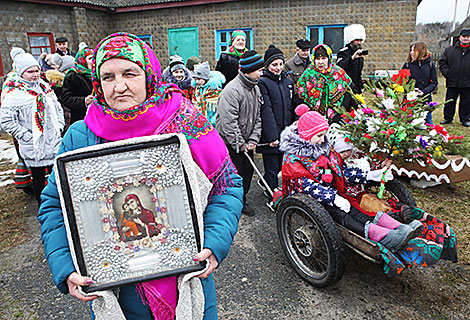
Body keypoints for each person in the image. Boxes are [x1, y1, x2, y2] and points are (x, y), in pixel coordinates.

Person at [37, 32, 243, 320]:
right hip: (120, 295)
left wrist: (213, 242)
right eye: (107, 77)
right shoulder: (82, 136)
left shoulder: (185, 122)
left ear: (148, 74)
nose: (118, 86)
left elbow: (226, 184)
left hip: (186, 280)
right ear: (97, 82)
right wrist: (66, 265)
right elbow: (55, 205)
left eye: (129, 73)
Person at [279, 104, 423, 252]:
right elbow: (306, 186)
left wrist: (368, 176)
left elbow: (342, 171)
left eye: (324, 135)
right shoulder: (293, 158)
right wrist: (333, 198)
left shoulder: (324, 149)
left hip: (332, 193)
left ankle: (397, 229)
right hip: (311, 198)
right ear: (306, 135)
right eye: (319, 136)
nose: (323, 140)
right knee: (342, 215)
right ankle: (382, 235)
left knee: (354, 208)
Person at [0, 52, 64, 204]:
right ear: (22, 72)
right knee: (38, 178)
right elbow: (7, 120)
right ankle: (43, 205)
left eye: (36, 71)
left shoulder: (45, 88)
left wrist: (59, 126)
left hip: (53, 140)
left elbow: (57, 108)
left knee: (57, 175)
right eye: (30, 72)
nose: (35, 75)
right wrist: (26, 135)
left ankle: (60, 202)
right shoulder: (15, 94)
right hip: (34, 145)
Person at [216, 50, 263, 216]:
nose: (261, 72)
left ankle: (242, 200)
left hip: (247, 142)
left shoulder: (255, 89)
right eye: (259, 69)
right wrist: (240, 143)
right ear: (249, 70)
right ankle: (233, 203)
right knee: (234, 175)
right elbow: (228, 121)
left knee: (248, 173)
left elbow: (258, 117)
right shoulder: (232, 91)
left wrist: (253, 139)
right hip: (231, 143)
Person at [257, 45, 296, 193]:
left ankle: (266, 183)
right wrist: (273, 136)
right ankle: (272, 195)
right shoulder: (263, 82)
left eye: (280, 64)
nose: (278, 68)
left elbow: (293, 104)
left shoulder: (287, 82)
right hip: (271, 134)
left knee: (282, 165)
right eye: (274, 64)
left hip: (286, 131)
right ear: (267, 65)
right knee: (272, 167)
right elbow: (266, 110)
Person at [297, 44, 357, 123]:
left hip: (338, 119)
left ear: (329, 59)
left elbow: (349, 93)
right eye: (318, 59)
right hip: (314, 120)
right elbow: (300, 97)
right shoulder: (308, 75)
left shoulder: (338, 73)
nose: (320, 62)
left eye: (323, 58)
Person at [438, 29, 470, 127]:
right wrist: (447, 74)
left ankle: (465, 119)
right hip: (452, 81)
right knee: (450, 101)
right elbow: (442, 62)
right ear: (460, 37)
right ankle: (447, 118)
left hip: (467, 83)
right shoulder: (450, 50)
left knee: (466, 102)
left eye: (468, 37)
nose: (465, 39)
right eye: (464, 36)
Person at [402, 41, 438, 125]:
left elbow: (434, 83)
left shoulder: (430, 65)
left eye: (414, 50)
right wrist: (410, 89)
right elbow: (402, 81)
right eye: (410, 50)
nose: (411, 53)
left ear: (421, 51)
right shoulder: (407, 65)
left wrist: (423, 91)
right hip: (409, 100)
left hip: (425, 100)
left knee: (428, 122)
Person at [61, 46, 94, 129]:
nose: (93, 61)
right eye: (90, 58)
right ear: (83, 60)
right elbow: (66, 99)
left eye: (94, 58)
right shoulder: (73, 76)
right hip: (81, 119)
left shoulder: (97, 74)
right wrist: (84, 101)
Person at [191, 61, 225, 125]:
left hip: (213, 124)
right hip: (199, 123)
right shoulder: (197, 89)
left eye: (198, 79)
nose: (197, 82)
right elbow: (194, 104)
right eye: (195, 79)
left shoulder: (215, 91)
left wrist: (213, 120)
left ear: (205, 78)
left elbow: (221, 107)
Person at [336, 24, 367, 94]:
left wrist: (361, 86)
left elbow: (358, 73)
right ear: (351, 40)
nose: (359, 43)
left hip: (356, 89)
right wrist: (352, 58)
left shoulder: (359, 54)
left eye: (360, 40)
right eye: (357, 40)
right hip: (345, 88)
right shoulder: (343, 52)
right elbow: (339, 67)